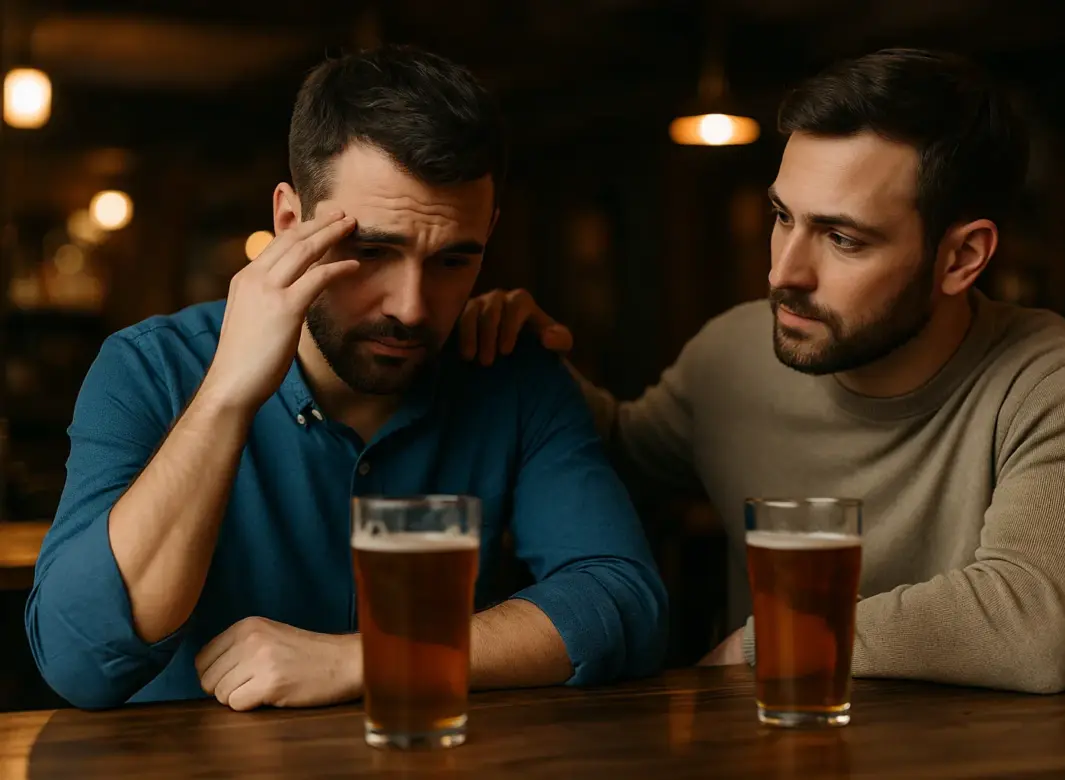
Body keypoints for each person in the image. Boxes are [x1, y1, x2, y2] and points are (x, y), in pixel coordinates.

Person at [459, 48, 1065, 694]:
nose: (784, 273)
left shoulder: (1056, 381)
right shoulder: (732, 354)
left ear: (962, 258)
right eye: (783, 217)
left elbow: (1041, 625)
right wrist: (520, 352)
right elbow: (607, 456)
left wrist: (765, 644)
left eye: (843, 238)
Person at [26, 44, 667, 711]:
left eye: (453, 261)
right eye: (372, 251)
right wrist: (226, 397)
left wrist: (375, 658)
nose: (412, 307)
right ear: (289, 222)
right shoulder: (151, 369)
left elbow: (621, 601)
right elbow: (80, 661)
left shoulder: (512, 375)